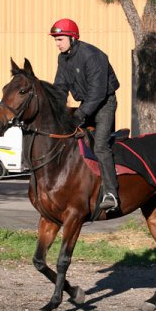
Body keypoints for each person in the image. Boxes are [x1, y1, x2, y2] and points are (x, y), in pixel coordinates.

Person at [49, 18, 120, 211]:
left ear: (73, 38)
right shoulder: (63, 58)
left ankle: (111, 194)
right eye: (55, 39)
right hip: (87, 104)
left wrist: (78, 116)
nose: (57, 43)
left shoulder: (91, 55)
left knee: (100, 146)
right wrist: (56, 111)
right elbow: (60, 87)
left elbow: (97, 94)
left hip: (105, 103)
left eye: (60, 39)